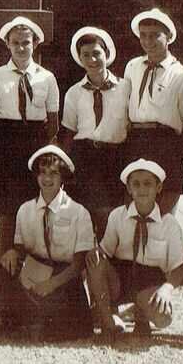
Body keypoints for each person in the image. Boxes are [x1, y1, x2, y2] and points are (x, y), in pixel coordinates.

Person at [0, 145, 93, 341]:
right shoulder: (25, 209)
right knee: (3, 267)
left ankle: (38, 320)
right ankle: (22, 318)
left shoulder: (78, 212)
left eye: (54, 173)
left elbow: (78, 263)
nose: (47, 179)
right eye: (42, 173)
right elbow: (20, 248)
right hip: (35, 271)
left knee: (68, 328)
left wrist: (51, 284)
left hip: (64, 277)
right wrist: (13, 253)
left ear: (63, 177)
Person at [86, 159, 183, 345]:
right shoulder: (118, 215)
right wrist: (96, 252)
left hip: (150, 280)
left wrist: (167, 289)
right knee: (95, 261)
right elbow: (105, 250)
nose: (142, 189)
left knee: (163, 317)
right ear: (129, 189)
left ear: (159, 187)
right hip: (120, 277)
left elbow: (179, 267)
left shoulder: (169, 223)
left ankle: (142, 317)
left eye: (148, 183)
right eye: (136, 184)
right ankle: (109, 324)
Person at [0, 16, 59, 233]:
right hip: (6, 140)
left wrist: (45, 147)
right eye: (16, 43)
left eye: (26, 42)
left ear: (35, 44)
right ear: (7, 44)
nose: (21, 47)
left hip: (35, 140)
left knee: (33, 197)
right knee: (5, 201)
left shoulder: (47, 78)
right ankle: (3, 250)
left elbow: (52, 121)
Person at [123, 8, 183, 215]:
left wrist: (178, 155)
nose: (148, 41)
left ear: (169, 37)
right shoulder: (132, 66)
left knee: (163, 211)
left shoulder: (181, 75)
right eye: (143, 35)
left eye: (155, 35)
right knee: (134, 208)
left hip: (165, 142)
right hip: (136, 140)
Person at [59, 26, 130, 237]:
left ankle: (108, 266)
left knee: (111, 218)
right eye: (86, 55)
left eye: (97, 53)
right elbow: (69, 132)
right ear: (80, 58)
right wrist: (65, 166)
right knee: (85, 219)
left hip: (114, 158)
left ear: (107, 54)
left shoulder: (126, 88)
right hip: (85, 158)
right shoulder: (74, 92)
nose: (92, 60)